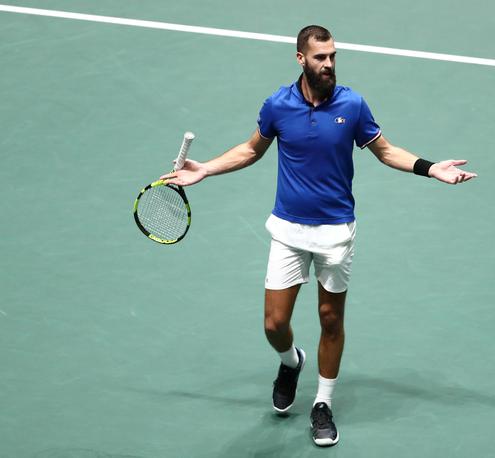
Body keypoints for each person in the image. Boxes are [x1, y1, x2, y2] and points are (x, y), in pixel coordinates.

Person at [161, 24, 477, 447]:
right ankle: (291, 363)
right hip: (288, 228)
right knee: (275, 324)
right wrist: (206, 169)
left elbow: (385, 151)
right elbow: (252, 149)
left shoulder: (353, 104)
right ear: (301, 59)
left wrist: (430, 166)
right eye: (320, 57)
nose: (328, 64)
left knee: (331, 319)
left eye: (332, 56)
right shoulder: (278, 104)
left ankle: (322, 404)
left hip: (335, 232)